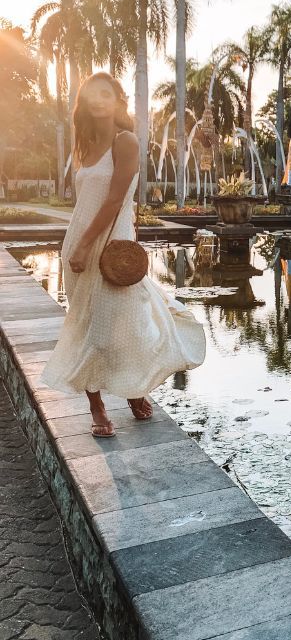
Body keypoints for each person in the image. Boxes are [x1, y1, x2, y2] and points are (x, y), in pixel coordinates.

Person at [41, 72, 205, 437]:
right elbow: (86, 200)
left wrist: (97, 242)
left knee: (123, 323)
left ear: (118, 99)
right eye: (90, 95)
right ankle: (96, 407)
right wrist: (79, 244)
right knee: (86, 325)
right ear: (82, 104)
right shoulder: (82, 147)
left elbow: (117, 198)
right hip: (80, 243)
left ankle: (133, 393)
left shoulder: (125, 141)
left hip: (110, 247)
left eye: (105, 93)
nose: (97, 100)